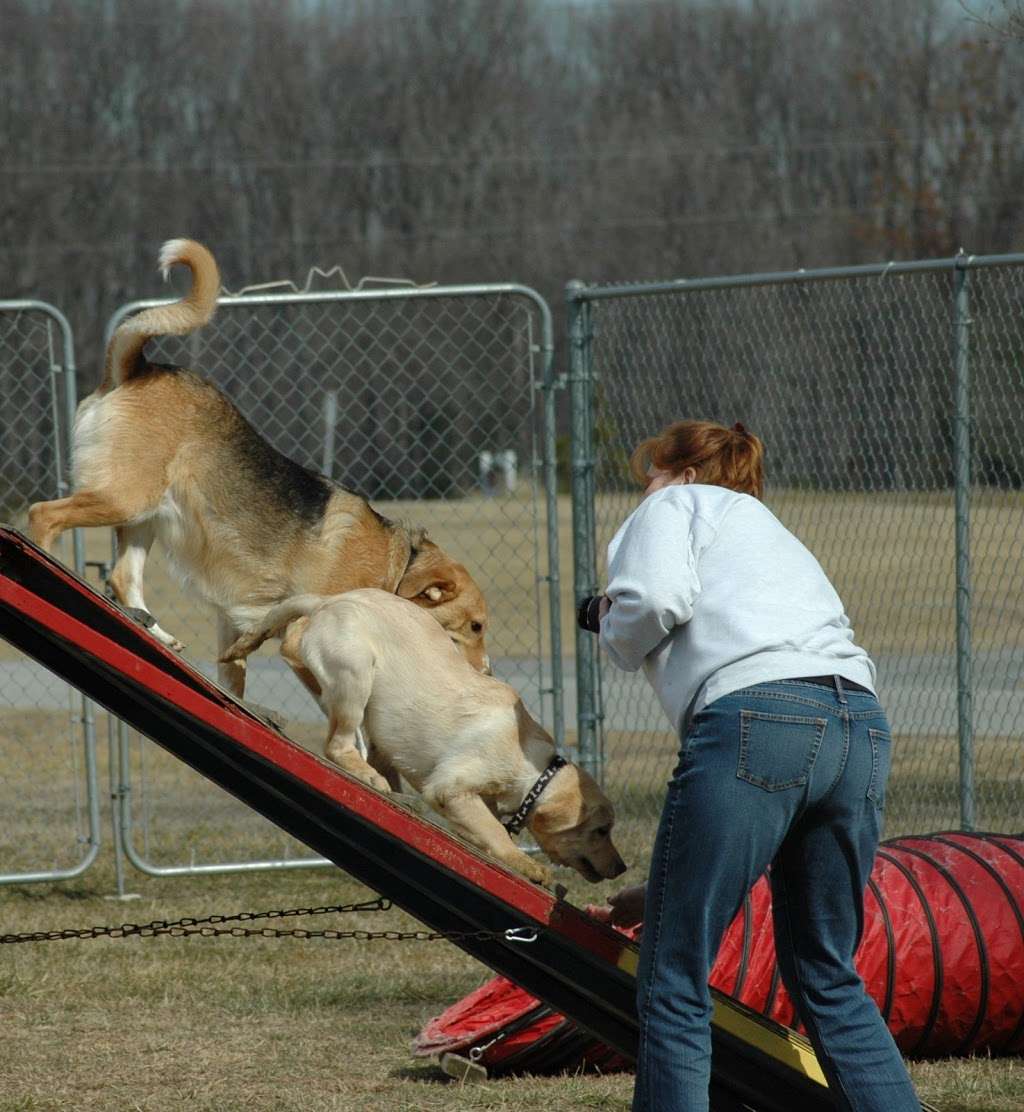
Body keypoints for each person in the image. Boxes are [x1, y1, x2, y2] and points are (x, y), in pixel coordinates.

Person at [578, 420, 921, 1112]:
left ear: (683, 471)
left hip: (757, 717)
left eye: (650, 471)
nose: (644, 485)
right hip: (859, 725)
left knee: (674, 977)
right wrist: (669, 894)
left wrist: (606, 620)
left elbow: (656, 600)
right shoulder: (768, 531)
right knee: (827, 972)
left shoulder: (675, 504)